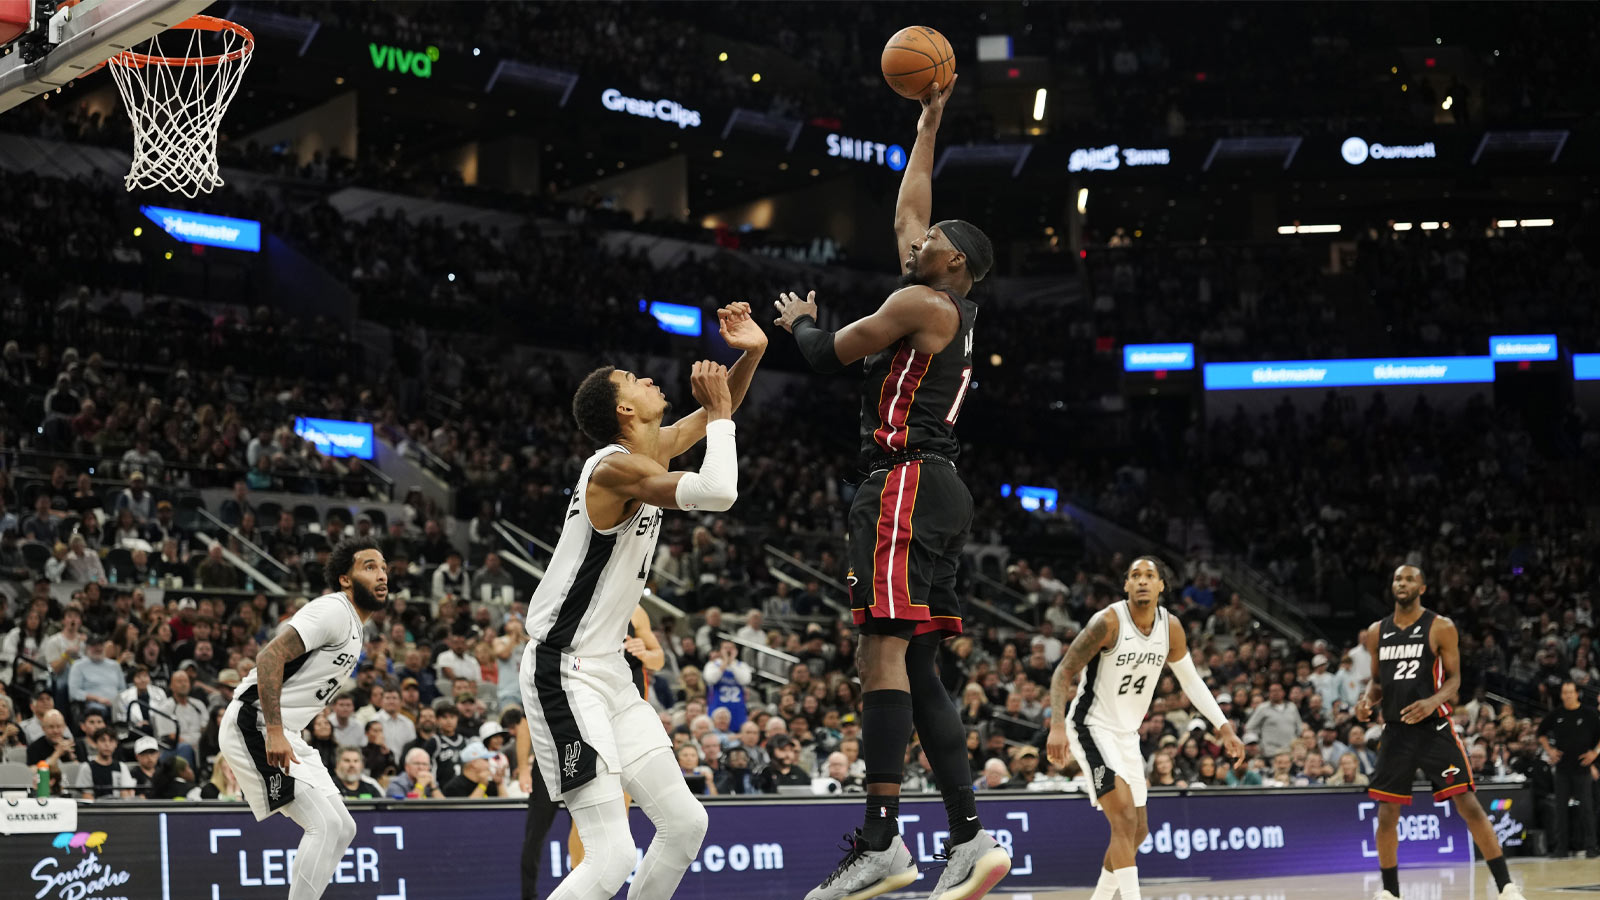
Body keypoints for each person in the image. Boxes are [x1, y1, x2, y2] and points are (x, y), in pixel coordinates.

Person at [778, 76, 1008, 900]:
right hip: (939, 486)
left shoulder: (922, 302)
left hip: (904, 484)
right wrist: (928, 123)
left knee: (880, 652)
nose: (917, 241)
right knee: (918, 667)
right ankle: (969, 839)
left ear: (957, 263)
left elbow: (824, 354)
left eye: (933, 241)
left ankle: (882, 842)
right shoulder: (943, 300)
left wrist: (799, 322)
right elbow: (912, 209)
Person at [521, 301, 763, 900]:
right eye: (634, 379)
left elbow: (713, 412)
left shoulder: (650, 455)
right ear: (624, 411)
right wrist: (722, 414)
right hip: (563, 669)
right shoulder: (613, 470)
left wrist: (753, 352)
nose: (650, 378)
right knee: (611, 857)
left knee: (685, 825)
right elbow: (719, 491)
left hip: (609, 671)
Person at [1044, 556, 1243, 900]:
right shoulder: (1108, 622)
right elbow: (1064, 671)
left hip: (1127, 734)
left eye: (1149, 575)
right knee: (1122, 820)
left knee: (1139, 831)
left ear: (1161, 585)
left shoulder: (1171, 628)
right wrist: (1057, 725)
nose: (1142, 581)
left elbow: (1191, 681)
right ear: (1126, 585)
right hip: (1092, 726)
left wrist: (1223, 727)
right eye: (1135, 575)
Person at [216, 537, 386, 900]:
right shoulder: (333, 610)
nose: (382, 575)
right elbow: (269, 656)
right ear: (345, 578)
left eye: (384, 568)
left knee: (343, 828)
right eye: (370, 567)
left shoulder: (357, 627)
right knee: (324, 826)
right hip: (254, 723)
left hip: (286, 731)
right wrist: (275, 731)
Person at [1356, 566, 1524, 900]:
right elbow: (1377, 683)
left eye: (1409, 579)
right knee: (1387, 815)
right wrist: (1366, 701)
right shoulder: (1377, 631)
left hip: (1435, 729)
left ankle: (1505, 886)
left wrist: (1432, 702)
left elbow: (1454, 679)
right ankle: (1390, 893)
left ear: (1422, 588)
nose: (1402, 583)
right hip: (1396, 732)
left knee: (1469, 805)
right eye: (1397, 579)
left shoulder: (1440, 626)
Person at [1537, 681, 1600, 858]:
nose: (1568, 696)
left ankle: (1591, 847)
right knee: (1560, 809)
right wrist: (1550, 750)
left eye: (1571, 692)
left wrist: (1595, 753)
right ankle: (1561, 848)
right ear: (1561, 695)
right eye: (1565, 693)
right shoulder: (1556, 714)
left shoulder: (1588, 713)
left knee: (1586, 809)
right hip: (1562, 769)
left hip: (1582, 768)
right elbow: (1541, 733)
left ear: (1577, 693)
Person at [517, 716, 561, 900]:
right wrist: (523, 769)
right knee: (534, 836)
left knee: (589, 835)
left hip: (582, 760)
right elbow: (525, 724)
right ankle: (529, 896)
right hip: (547, 763)